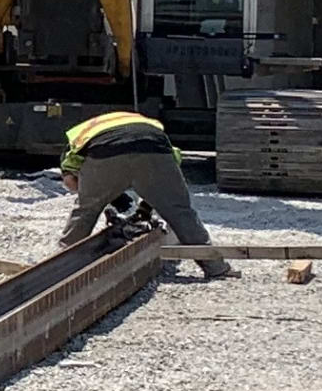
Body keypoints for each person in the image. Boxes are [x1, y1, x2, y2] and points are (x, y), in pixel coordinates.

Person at [58, 108, 230, 273]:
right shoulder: (146, 124)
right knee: (180, 211)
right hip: (154, 149)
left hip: (105, 151)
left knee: (86, 209)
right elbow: (170, 165)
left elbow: (74, 182)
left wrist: (96, 197)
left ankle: (61, 265)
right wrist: (146, 206)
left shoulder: (75, 141)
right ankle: (215, 267)